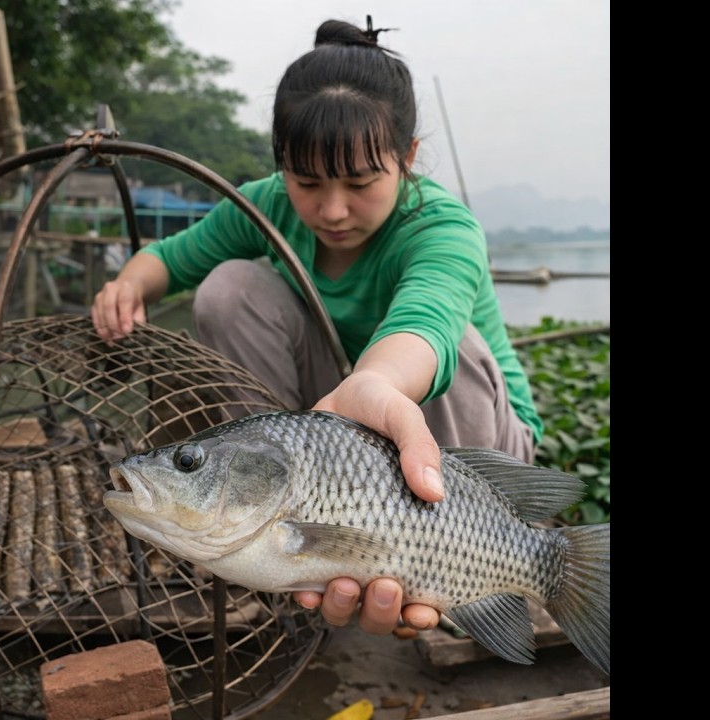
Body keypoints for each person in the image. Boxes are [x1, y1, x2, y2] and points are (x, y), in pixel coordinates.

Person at [90, 18, 544, 637]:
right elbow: (167, 261)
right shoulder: (264, 206)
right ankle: (271, 519)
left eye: (360, 184)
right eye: (307, 184)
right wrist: (127, 287)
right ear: (282, 168)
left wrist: (377, 385)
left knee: (455, 349)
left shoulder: (444, 228)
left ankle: (451, 553)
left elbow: (424, 326)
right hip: (332, 458)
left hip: (477, 457)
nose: (332, 210)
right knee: (229, 288)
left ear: (407, 158)